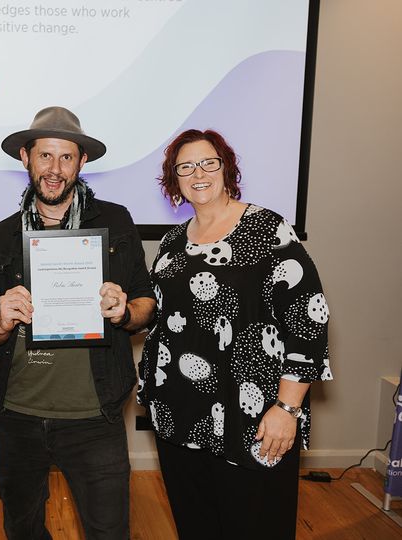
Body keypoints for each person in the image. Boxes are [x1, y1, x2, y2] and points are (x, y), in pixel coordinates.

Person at [138, 129, 333, 539]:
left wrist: (288, 409)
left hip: (254, 417)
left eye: (209, 162)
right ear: (174, 181)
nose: (199, 173)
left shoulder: (268, 230)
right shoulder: (172, 242)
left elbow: (308, 321)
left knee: (255, 526)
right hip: (178, 417)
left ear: (227, 169)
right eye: (185, 167)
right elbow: (161, 321)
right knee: (197, 526)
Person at [0, 106, 156, 539]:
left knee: (109, 531)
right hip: (17, 412)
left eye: (66, 157)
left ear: (82, 161)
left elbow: (147, 304)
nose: (54, 170)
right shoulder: (4, 233)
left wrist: (124, 310)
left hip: (95, 415)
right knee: (23, 530)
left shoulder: (115, 221)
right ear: (25, 158)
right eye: (45, 157)